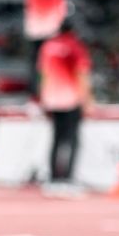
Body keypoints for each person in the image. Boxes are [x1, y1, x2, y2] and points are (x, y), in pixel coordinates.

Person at [38, 18, 94, 185]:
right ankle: (67, 177)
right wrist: (88, 100)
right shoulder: (76, 46)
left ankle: (54, 177)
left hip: (52, 99)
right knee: (72, 140)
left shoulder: (47, 47)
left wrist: (43, 99)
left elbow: (44, 75)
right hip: (71, 100)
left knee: (56, 139)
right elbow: (81, 74)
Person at [20, 0, 78, 99]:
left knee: (51, 64)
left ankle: (49, 95)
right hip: (36, 28)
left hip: (52, 29)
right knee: (36, 64)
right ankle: (36, 95)